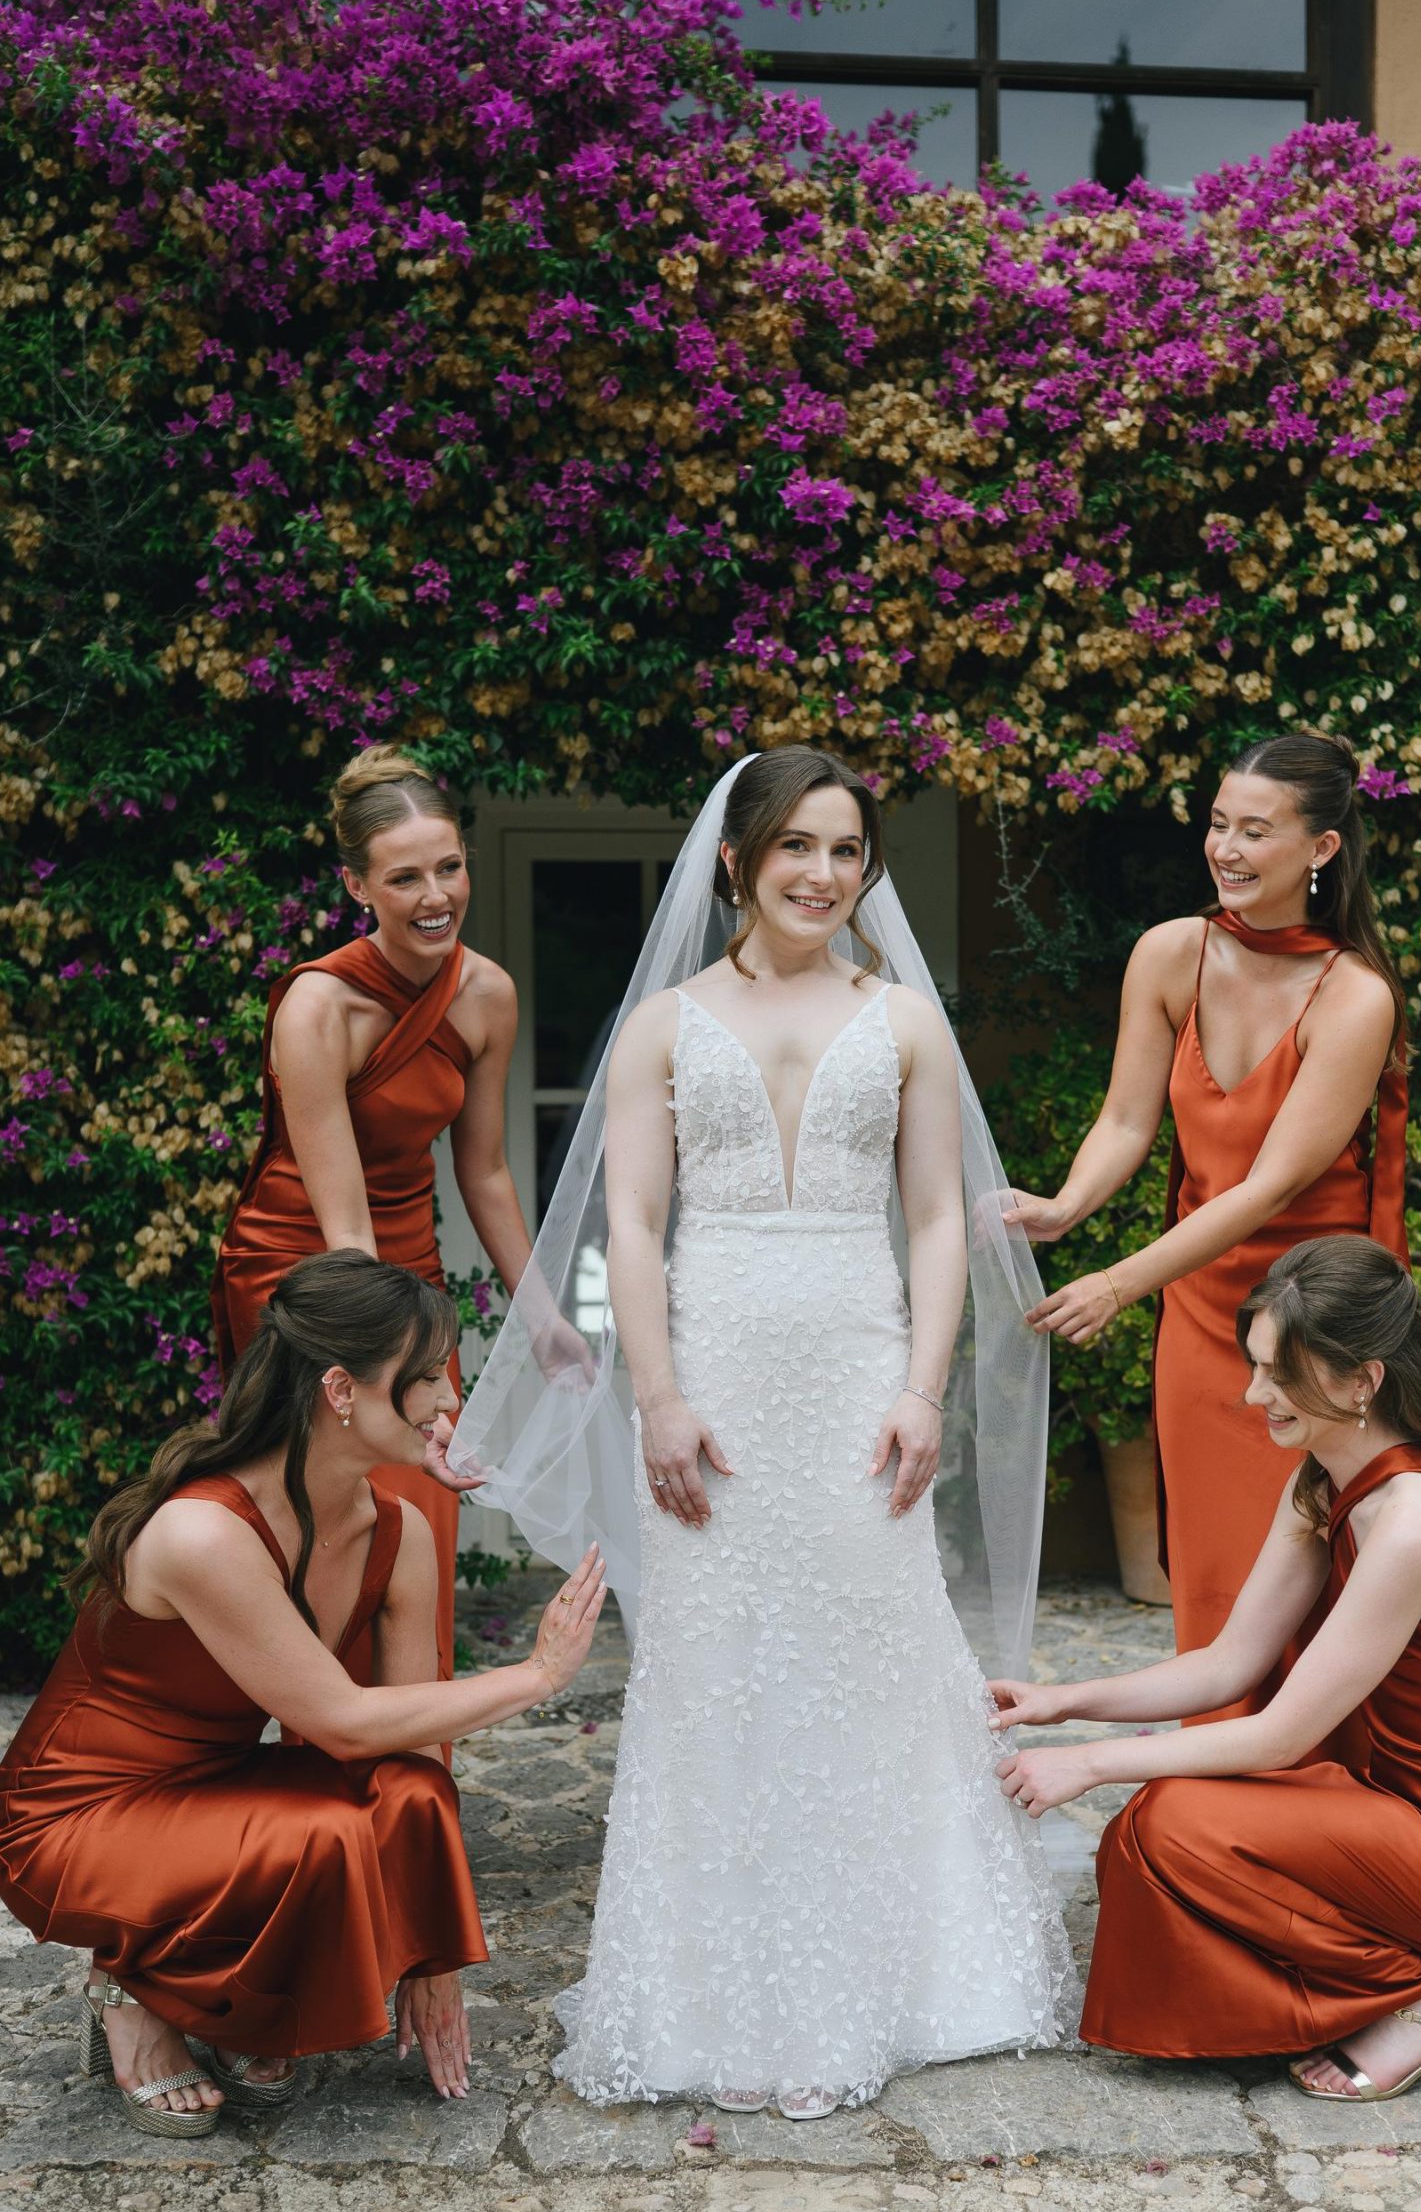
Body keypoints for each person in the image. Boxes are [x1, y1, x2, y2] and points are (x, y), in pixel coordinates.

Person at [452, 745, 1073, 2118]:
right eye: (796, 845)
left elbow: (933, 1219)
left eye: (846, 850)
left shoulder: (902, 1021)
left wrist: (921, 1389)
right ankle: (710, 1989)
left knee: (870, 1650)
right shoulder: (662, 1026)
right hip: (715, 1370)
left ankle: (906, 1975)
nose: (823, 874)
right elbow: (631, 1223)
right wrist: (659, 1397)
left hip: (860, 1371)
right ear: (735, 860)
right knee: (714, 1664)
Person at [990, 1234, 1421, 2098]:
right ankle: (1396, 1980)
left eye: (1278, 1373)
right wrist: (1060, 1702)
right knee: (1150, 1831)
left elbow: (1279, 1735)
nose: (1252, 1393)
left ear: (1360, 1381)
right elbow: (1228, 1663)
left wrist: (1087, 1764)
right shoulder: (1321, 1481)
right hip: (1403, 1818)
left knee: (1175, 1825)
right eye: (1254, 1365)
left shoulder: (1417, 1521)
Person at [0, 1252, 605, 2139]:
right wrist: (537, 1676)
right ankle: (131, 1988)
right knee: (325, 1834)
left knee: (413, 1792)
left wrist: (433, 1951)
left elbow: (411, 1748)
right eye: (427, 1377)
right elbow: (343, 1725)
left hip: (214, 1790)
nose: (447, 1400)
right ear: (342, 1389)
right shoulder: (202, 1533)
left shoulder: (399, 1531)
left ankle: (234, 2009)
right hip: (75, 1818)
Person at [1006, 732, 1409, 1694]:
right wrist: (1066, 1205)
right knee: (1215, 1566)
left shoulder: (1354, 997)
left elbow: (1268, 1187)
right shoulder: (1167, 954)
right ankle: (1221, 1765)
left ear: (1320, 848)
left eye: (1254, 831)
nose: (1225, 848)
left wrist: (1117, 1282)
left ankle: (1309, 1764)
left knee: (1311, 1574)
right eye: (1218, 824)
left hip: (1313, 1327)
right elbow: (1123, 1120)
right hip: (1197, 1313)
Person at [211, 746, 575, 1684]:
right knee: (324, 1512)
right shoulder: (317, 1006)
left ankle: (409, 1754)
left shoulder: (487, 994)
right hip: (303, 1274)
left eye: (449, 868)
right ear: (357, 886)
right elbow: (345, 1231)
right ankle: (327, 1735)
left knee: (420, 1506)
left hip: (407, 1270)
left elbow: (484, 1171)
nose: (435, 896)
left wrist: (542, 1320)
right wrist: (396, 1357)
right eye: (405, 877)